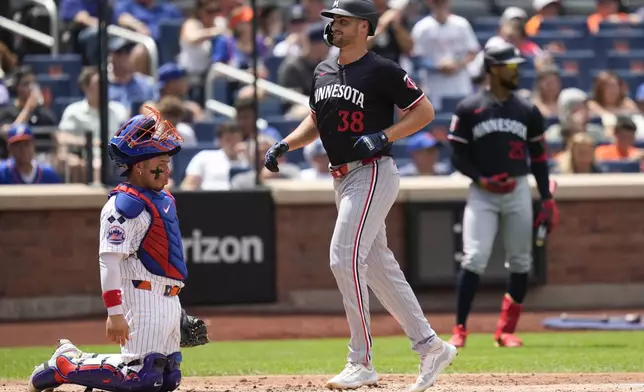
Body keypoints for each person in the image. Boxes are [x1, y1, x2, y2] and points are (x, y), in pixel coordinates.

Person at [263, 0, 457, 390]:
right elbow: (317, 119)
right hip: (342, 178)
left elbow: (424, 112)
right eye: (332, 20)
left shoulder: (382, 69)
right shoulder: (323, 70)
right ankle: (431, 346)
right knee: (380, 266)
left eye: (343, 21)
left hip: (372, 172)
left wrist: (384, 135)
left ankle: (361, 360)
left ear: (364, 28)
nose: (333, 25)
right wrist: (286, 144)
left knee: (343, 256)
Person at [27, 106, 207, 392]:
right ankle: (65, 366)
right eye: (161, 161)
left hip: (168, 300)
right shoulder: (124, 205)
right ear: (140, 166)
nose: (167, 169)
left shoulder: (163, 199)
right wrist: (115, 312)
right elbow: (109, 261)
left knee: (168, 377)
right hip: (141, 297)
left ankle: (73, 359)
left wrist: (175, 310)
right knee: (143, 377)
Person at [447, 42, 560, 348]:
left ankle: (505, 330)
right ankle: (460, 329)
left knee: (521, 260)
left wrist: (546, 198)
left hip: (517, 188)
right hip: (483, 192)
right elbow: (456, 155)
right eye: (510, 66)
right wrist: (481, 179)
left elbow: (538, 157)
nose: (516, 71)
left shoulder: (527, 110)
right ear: (493, 70)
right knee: (474, 257)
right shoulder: (469, 107)